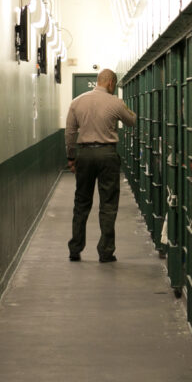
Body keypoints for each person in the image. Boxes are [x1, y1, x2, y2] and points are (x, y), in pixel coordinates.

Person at [65, 68, 136, 262]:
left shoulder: (76, 102)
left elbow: (70, 133)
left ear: (98, 81)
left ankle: (75, 249)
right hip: (107, 155)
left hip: (85, 155)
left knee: (81, 202)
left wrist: (71, 158)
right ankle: (105, 251)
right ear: (111, 83)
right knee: (108, 203)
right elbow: (132, 121)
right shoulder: (115, 102)